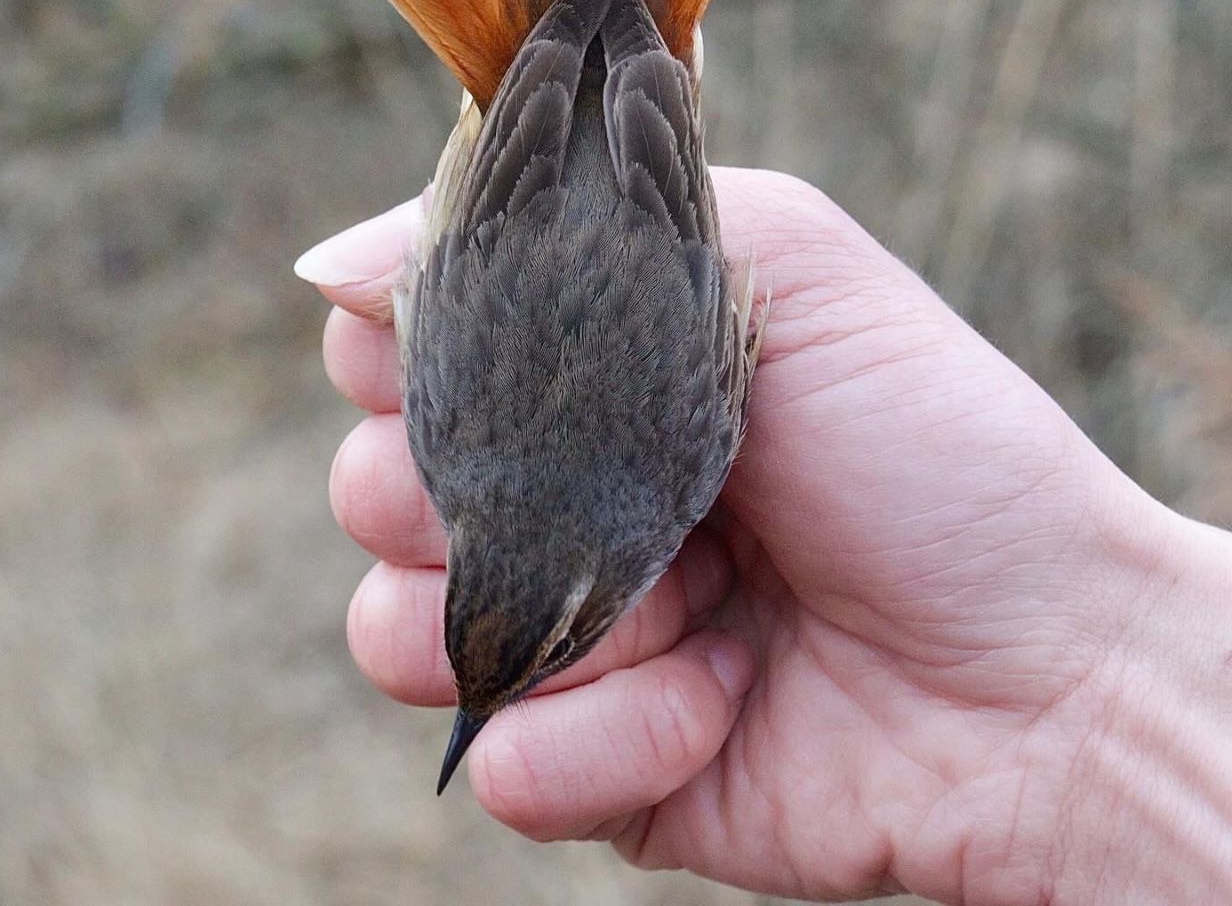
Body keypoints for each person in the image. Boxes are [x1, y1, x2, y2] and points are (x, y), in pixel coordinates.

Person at [294, 166, 1232, 904]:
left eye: (563, 648)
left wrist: (1094, 703)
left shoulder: (681, 454)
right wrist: (1091, 719)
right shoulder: (460, 443)